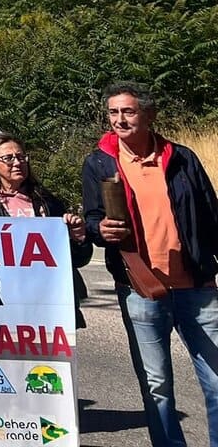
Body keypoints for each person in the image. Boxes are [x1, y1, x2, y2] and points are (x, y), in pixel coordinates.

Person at [83, 81, 218, 447]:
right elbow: (93, 219)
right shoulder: (99, 163)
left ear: (147, 114)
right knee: (157, 387)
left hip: (196, 287)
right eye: (113, 112)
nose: (119, 120)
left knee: (216, 380)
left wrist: (212, 267)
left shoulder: (182, 157)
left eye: (128, 111)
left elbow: (210, 214)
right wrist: (100, 229)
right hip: (140, 289)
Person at [0, 132, 90, 320]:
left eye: (21, 157)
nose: (17, 163)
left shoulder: (47, 201)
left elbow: (78, 260)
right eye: (8, 158)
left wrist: (78, 237)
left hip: (46, 302)